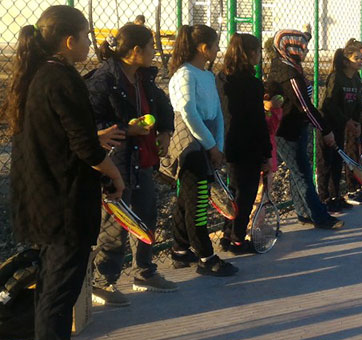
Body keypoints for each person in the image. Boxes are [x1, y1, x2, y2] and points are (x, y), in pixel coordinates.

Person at [5, 5, 126, 340]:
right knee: (59, 290)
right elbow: (85, 149)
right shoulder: (62, 77)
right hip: (62, 201)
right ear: (69, 40)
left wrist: (94, 137)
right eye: (86, 36)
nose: (90, 42)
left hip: (42, 196)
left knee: (54, 285)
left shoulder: (38, 74)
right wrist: (114, 174)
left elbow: (60, 133)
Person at [86, 24, 177, 307]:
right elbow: (91, 124)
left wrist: (165, 130)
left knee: (146, 214)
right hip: (117, 161)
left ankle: (144, 271)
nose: (154, 52)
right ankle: (103, 281)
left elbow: (164, 105)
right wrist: (128, 129)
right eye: (151, 47)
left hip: (142, 160)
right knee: (116, 221)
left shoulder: (143, 78)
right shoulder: (104, 80)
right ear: (136, 50)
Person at [166, 25, 238, 276]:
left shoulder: (207, 76)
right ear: (204, 48)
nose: (219, 49)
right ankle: (206, 257)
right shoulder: (184, 75)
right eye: (216, 45)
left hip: (206, 145)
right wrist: (210, 145)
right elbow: (188, 113)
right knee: (197, 203)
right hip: (190, 147)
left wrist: (218, 146)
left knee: (187, 199)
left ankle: (180, 249)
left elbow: (216, 113)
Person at [264, 29, 342, 229]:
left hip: (296, 128)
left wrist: (307, 34)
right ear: (291, 49)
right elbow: (305, 107)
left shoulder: (290, 66)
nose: (306, 51)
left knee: (297, 171)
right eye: (302, 48)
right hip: (287, 132)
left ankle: (303, 212)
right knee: (303, 174)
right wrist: (325, 130)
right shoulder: (288, 74)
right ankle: (320, 217)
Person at [217, 33, 273, 255]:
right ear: (250, 53)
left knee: (233, 190)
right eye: (258, 51)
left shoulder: (221, 78)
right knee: (246, 193)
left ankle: (227, 234)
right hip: (247, 145)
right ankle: (238, 239)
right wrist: (266, 153)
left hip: (226, 141)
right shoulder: (252, 83)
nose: (260, 56)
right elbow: (258, 121)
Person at [318, 39, 362, 209]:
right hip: (327, 125)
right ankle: (324, 199)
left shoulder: (354, 79)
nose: (361, 61)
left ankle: (335, 196)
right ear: (346, 61)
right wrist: (347, 121)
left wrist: (358, 117)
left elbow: (354, 104)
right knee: (325, 162)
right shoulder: (336, 78)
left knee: (337, 162)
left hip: (341, 126)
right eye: (357, 58)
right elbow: (329, 105)